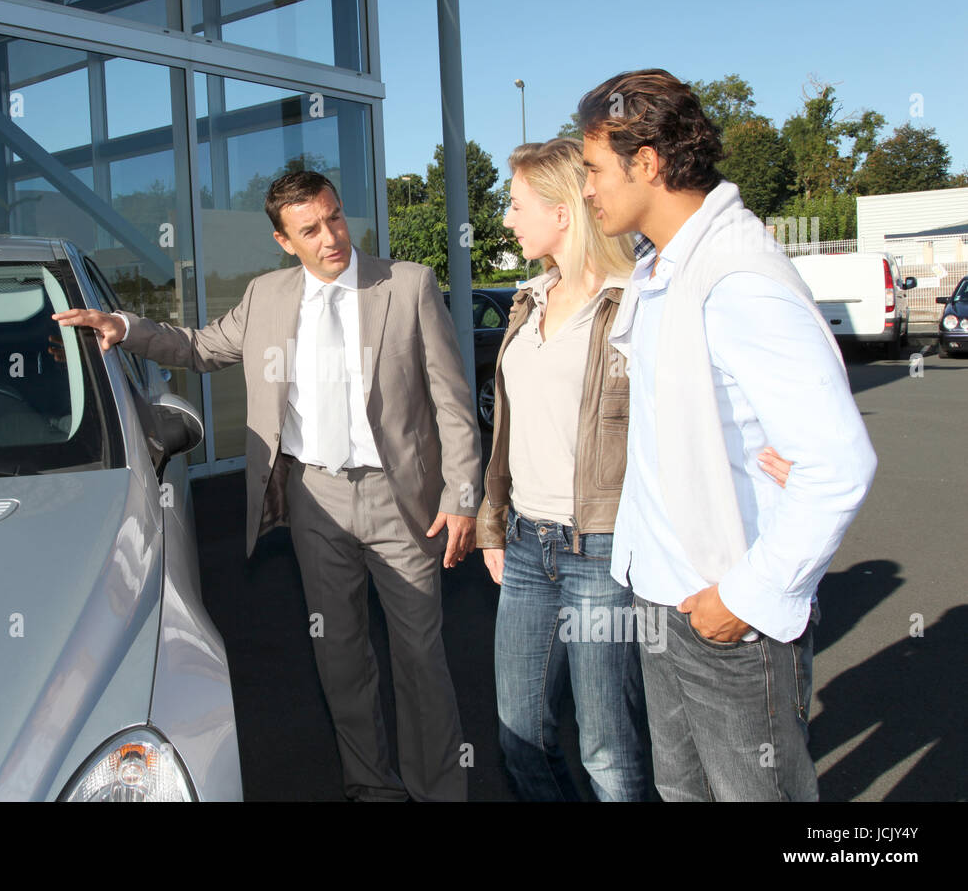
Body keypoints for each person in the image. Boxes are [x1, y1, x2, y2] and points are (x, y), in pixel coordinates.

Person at [53, 170, 482, 801]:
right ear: (285, 240)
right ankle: (372, 789)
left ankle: (439, 793)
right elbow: (199, 347)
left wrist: (463, 493)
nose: (332, 236)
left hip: (402, 502)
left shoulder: (408, 284)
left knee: (420, 660)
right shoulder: (268, 297)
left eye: (335, 217)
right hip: (315, 501)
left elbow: (453, 401)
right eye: (311, 229)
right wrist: (125, 327)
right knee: (339, 659)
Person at [578, 68, 877, 801]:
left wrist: (746, 595)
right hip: (665, 597)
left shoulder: (737, 278)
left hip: (727, 616)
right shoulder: (665, 271)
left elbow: (838, 462)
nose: (586, 190)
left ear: (646, 162)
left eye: (593, 169)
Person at [475, 138, 649, 801]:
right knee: (520, 735)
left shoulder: (634, 301)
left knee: (608, 747)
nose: (508, 220)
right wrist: (496, 525)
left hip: (602, 549)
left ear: (564, 212)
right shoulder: (529, 300)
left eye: (517, 205)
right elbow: (508, 430)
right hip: (525, 546)